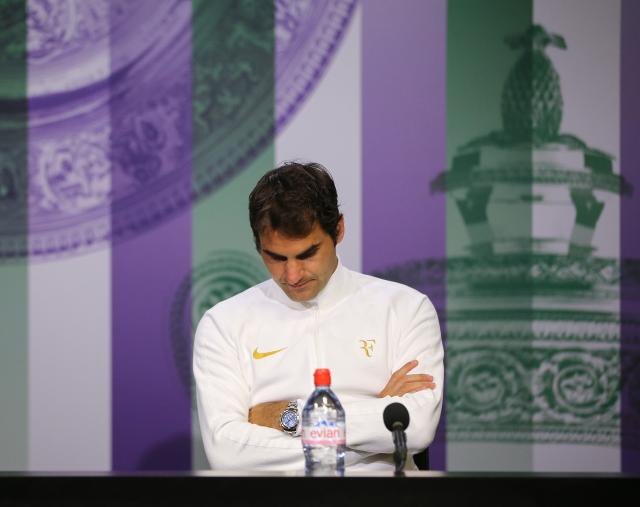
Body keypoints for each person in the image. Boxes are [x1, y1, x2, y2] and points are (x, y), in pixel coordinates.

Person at [193, 162, 443, 472]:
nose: (293, 275)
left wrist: (291, 416)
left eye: (307, 254)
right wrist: (375, 416)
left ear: (338, 230)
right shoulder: (223, 323)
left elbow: (416, 428)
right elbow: (228, 452)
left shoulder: (406, 308)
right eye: (276, 257)